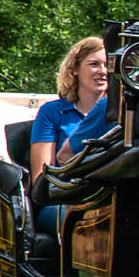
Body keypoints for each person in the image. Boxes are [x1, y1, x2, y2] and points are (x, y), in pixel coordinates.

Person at [30, 36, 111, 248]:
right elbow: (41, 177)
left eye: (108, 65)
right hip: (59, 201)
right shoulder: (51, 112)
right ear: (75, 69)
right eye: (94, 64)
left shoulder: (119, 112)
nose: (103, 71)